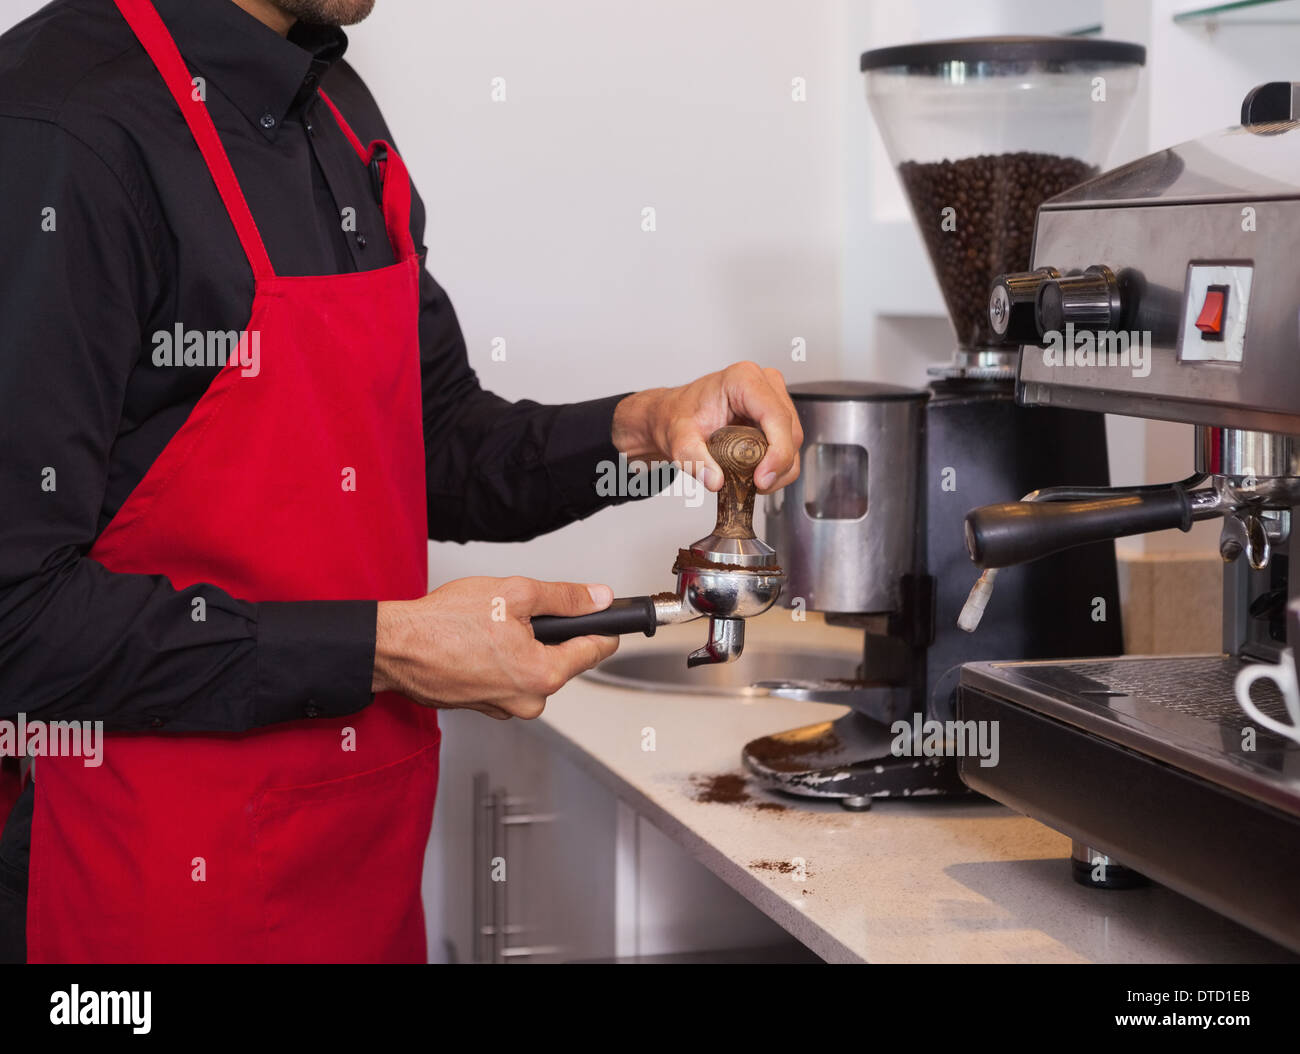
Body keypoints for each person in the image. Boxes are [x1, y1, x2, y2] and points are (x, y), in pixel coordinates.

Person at [0, 0, 802, 962]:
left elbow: (432, 449)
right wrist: (384, 650)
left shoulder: (335, 109)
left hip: (360, 874)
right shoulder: (61, 131)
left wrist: (647, 425)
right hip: (140, 891)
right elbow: (17, 617)